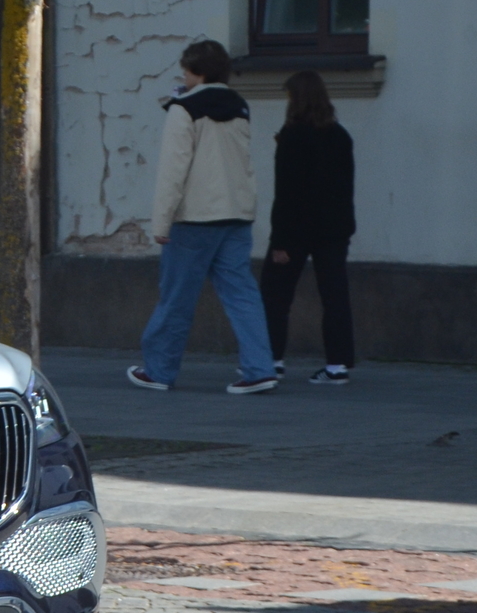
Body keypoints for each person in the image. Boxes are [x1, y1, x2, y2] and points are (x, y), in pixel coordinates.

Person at [129, 40, 278, 395]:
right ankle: (260, 368)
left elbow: (173, 171)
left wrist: (161, 222)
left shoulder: (183, 109)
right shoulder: (240, 106)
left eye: (186, 70)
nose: (183, 75)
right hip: (236, 214)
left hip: (194, 218)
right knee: (242, 295)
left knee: (177, 298)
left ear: (198, 72)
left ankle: (160, 370)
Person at [262, 69, 356, 384]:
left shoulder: (292, 136)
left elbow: (287, 193)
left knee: (275, 295)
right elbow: (344, 187)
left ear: (296, 100)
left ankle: (271, 360)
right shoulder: (340, 135)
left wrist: (280, 241)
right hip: (333, 230)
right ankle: (337, 366)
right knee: (335, 296)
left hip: (296, 230)